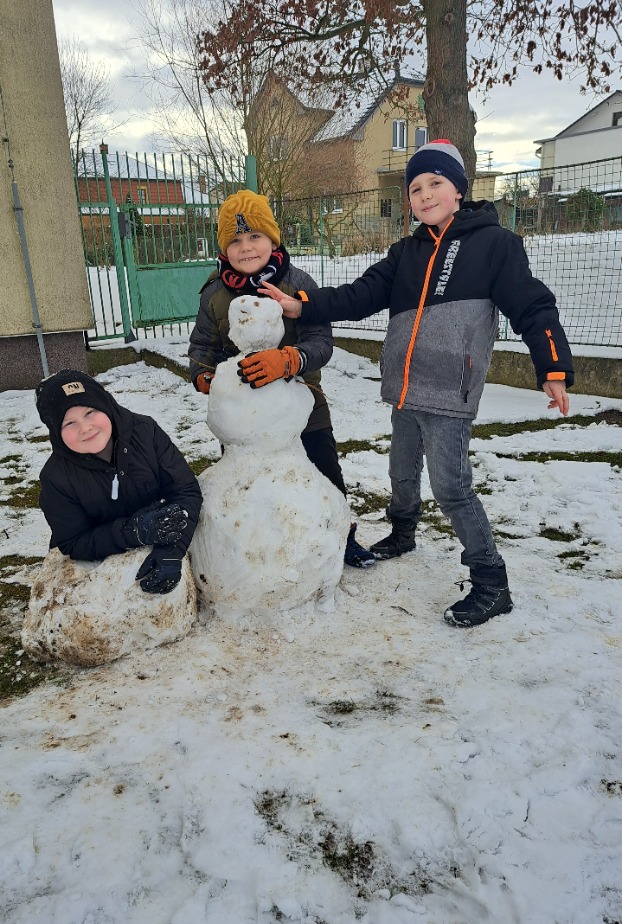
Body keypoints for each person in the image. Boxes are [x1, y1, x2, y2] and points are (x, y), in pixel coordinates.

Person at [259, 140, 574, 627]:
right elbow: (360, 294)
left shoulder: (495, 245)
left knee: (452, 488)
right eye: (415, 188)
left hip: (450, 392)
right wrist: (303, 306)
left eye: (435, 183)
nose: (424, 195)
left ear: (458, 190)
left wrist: (552, 367)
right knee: (401, 471)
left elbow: (533, 306)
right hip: (405, 388)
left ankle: (492, 582)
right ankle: (403, 532)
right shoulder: (406, 252)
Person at [189, 189, 375, 568]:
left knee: (324, 470)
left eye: (255, 236)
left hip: (304, 403)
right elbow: (202, 347)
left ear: (273, 239)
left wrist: (291, 359)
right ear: (224, 249)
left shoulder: (298, 282)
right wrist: (206, 377)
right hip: (244, 413)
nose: (246, 247)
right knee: (244, 479)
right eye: (235, 241)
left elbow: (321, 342)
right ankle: (254, 544)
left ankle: (342, 535)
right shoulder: (214, 294)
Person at [35, 369, 203, 595]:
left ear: (105, 405)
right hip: (98, 568)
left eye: (89, 412)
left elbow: (185, 491)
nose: (85, 428)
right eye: (69, 423)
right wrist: (133, 532)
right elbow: (74, 541)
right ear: (56, 432)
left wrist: (173, 550)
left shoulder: (146, 433)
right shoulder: (57, 477)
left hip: (161, 537)